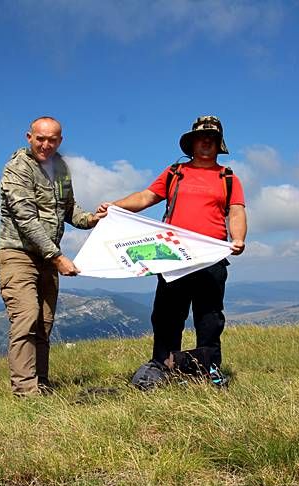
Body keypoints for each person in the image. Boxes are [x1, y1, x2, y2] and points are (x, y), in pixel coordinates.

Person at [99, 115, 247, 386]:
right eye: (201, 138)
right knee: (167, 314)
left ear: (218, 144)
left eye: (212, 138)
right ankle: (163, 365)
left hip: (211, 257)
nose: (206, 142)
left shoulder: (228, 178)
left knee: (210, 317)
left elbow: (236, 211)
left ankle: (209, 369)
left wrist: (238, 238)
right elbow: (146, 197)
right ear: (192, 143)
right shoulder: (174, 173)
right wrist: (115, 207)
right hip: (173, 257)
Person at [0, 116, 103, 396]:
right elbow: (26, 219)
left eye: (52, 139)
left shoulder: (61, 167)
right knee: (27, 316)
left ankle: (41, 384)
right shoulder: (17, 168)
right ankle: (24, 391)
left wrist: (92, 219)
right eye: (40, 138)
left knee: (44, 321)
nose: (46, 144)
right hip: (18, 253)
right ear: (29, 137)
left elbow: (69, 208)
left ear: (60, 140)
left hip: (46, 257)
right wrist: (57, 257)